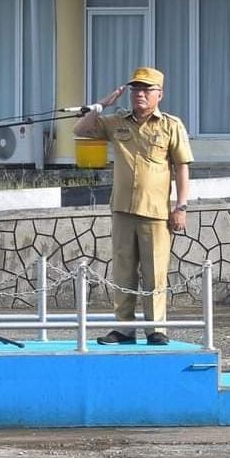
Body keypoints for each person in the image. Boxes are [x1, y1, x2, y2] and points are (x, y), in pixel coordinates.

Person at [73, 67, 192, 346]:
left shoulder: (171, 125)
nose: (140, 94)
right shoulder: (117, 122)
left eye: (146, 89)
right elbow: (81, 129)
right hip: (123, 209)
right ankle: (124, 329)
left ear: (159, 94)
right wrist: (103, 104)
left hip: (155, 212)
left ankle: (156, 329)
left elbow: (182, 168)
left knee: (154, 273)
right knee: (123, 272)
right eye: (136, 89)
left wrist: (182, 207)